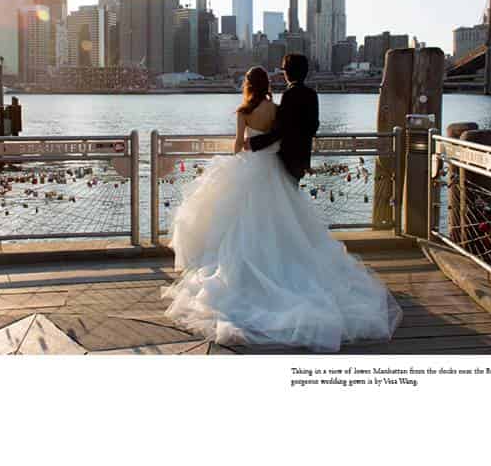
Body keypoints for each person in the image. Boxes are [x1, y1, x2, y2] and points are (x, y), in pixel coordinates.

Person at [162, 58, 402, 352]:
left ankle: (259, 266)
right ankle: (284, 259)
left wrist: (253, 145)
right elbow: (306, 127)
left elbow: (251, 141)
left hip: (257, 163)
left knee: (245, 222)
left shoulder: (252, 109)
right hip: (283, 165)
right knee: (284, 220)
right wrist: (281, 146)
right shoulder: (296, 100)